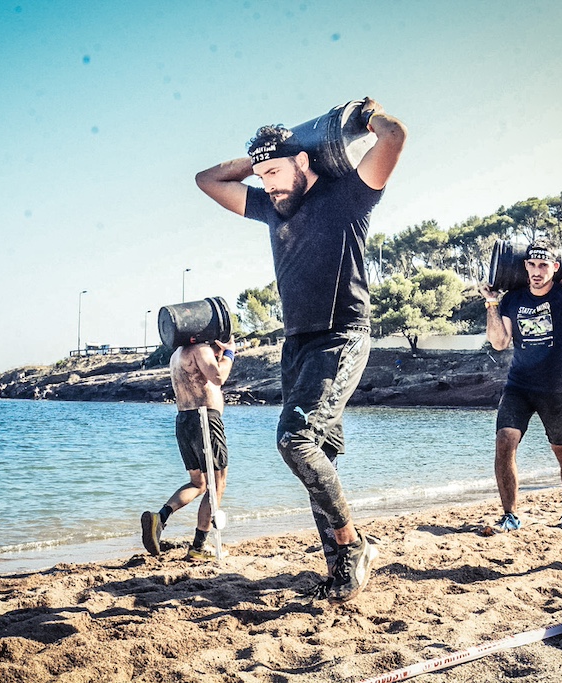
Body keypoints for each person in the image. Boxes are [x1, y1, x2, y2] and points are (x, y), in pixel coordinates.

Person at [195, 97, 407, 602]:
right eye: (261, 175)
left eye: (275, 172)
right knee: (321, 454)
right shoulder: (271, 206)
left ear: (305, 162)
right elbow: (207, 180)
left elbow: (394, 138)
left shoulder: (350, 196)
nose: (266, 184)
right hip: (297, 344)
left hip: (342, 335)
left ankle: (353, 545)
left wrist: (363, 114)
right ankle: (341, 569)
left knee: (295, 439)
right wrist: (264, 155)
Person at [480, 240, 562, 535]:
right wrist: (491, 303)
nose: (537, 271)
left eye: (544, 265)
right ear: (524, 266)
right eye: (532, 264)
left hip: (555, 387)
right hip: (519, 386)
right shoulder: (513, 299)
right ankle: (510, 515)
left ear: (555, 267)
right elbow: (500, 342)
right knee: (504, 443)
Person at [140, 337, 235, 560]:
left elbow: (200, 378)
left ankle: (160, 517)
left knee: (199, 483)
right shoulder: (199, 350)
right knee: (217, 484)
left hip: (184, 420)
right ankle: (199, 547)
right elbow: (218, 377)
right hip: (205, 420)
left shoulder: (178, 354)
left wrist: (217, 356)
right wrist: (230, 353)